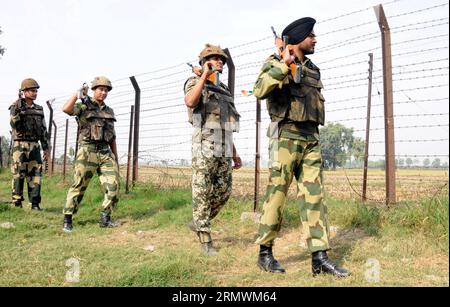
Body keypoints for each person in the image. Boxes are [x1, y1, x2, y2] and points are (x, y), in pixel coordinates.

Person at [253, 18, 350, 277]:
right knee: (277, 194)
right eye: (311, 36)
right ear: (298, 38)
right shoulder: (274, 62)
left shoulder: (312, 69)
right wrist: (284, 64)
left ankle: (320, 258)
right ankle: (265, 253)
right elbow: (259, 89)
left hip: (310, 138)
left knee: (314, 196)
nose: (315, 39)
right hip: (285, 136)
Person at [184, 44, 242, 256]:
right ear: (205, 62)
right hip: (205, 145)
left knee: (224, 192)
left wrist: (234, 152)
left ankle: (199, 221)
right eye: (215, 58)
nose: (220, 62)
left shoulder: (224, 89)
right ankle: (206, 242)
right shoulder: (194, 82)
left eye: (222, 59)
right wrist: (203, 77)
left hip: (225, 145)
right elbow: (190, 101)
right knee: (202, 192)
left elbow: (226, 122)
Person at [61, 76, 120, 232]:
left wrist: (115, 157)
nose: (104, 92)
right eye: (101, 89)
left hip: (105, 152)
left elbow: (112, 136)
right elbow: (66, 109)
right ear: (94, 90)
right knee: (79, 185)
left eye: (106, 90)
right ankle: (68, 218)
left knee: (113, 184)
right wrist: (77, 94)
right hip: (87, 150)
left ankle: (105, 218)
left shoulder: (109, 111)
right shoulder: (83, 106)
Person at [9, 78, 49, 210]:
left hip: (35, 146)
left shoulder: (39, 109)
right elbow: (13, 123)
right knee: (18, 174)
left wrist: (46, 148)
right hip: (19, 145)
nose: (35, 93)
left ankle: (35, 203)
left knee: (36, 175)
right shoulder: (16, 106)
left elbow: (43, 130)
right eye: (32, 91)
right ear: (24, 92)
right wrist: (19, 106)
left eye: (36, 91)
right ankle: (17, 202)